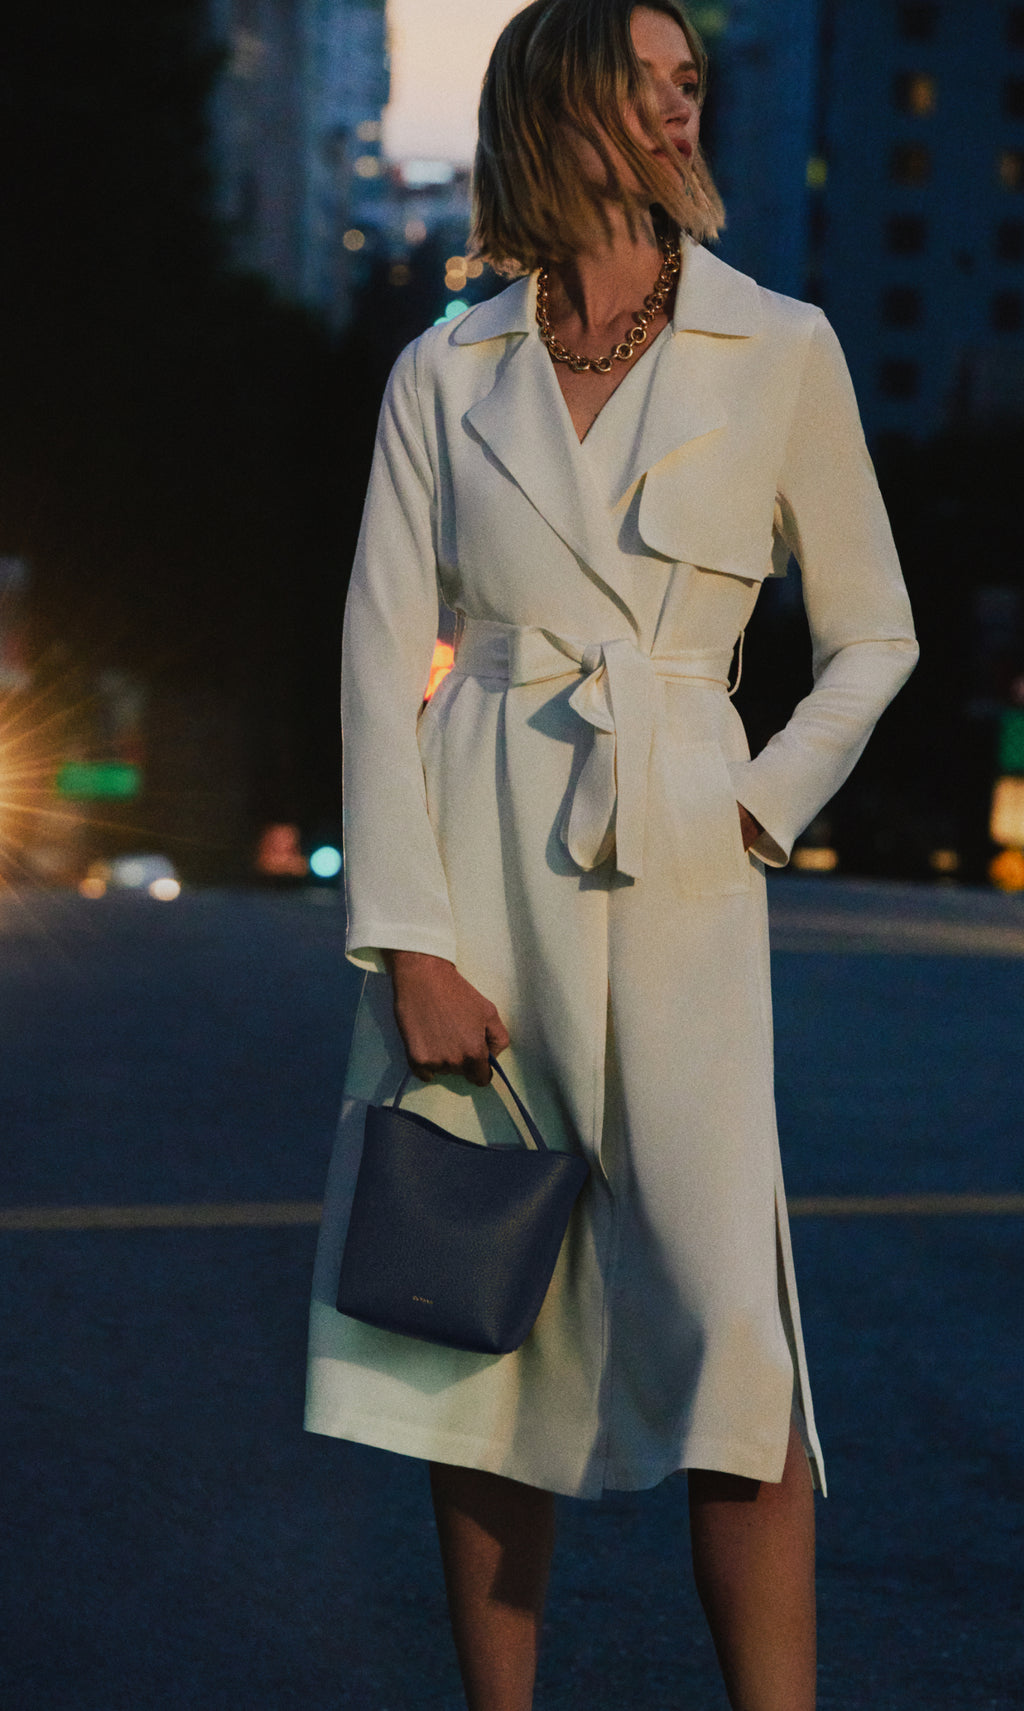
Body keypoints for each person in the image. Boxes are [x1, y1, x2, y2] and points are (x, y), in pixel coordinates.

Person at [305, 3, 918, 1706]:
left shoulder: (778, 344)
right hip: (476, 865)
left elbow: (876, 636)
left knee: (735, 1341)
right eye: (638, 78)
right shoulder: (448, 367)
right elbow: (375, 657)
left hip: (683, 870)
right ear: (552, 110)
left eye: (688, 79)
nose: (675, 103)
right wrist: (409, 939)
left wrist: (752, 801)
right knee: (476, 1337)